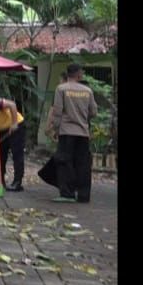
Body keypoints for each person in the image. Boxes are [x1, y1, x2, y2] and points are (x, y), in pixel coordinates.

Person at [48, 64, 98, 203]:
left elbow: (57, 111)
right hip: (83, 133)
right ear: (79, 74)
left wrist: (55, 129)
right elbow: (94, 112)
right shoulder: (87, 91)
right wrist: (83, 119)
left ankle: (67, 193)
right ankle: (83, 195)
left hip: (66, 132)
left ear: (68, 74)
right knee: (83, 164)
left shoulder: (61, 89)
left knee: (64, 162)